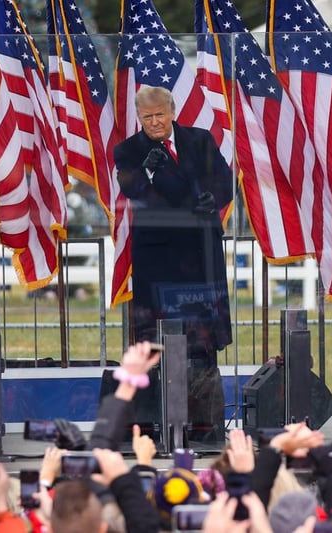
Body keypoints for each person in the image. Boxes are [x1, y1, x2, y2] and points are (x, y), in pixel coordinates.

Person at [113, 86, 233, 440]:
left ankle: (207, 426)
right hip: (160, 263)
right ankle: (158, 424)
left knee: (204, 341)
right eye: (147, 118)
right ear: (139, 118)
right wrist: (146, 172)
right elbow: (131, 190)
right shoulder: (129, 150)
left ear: (172, 110)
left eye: (159, 115)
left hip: (201, 257)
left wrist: (216, 197)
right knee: (160, 342)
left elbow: (225, 180)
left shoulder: (199, 140)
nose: (154, 123)